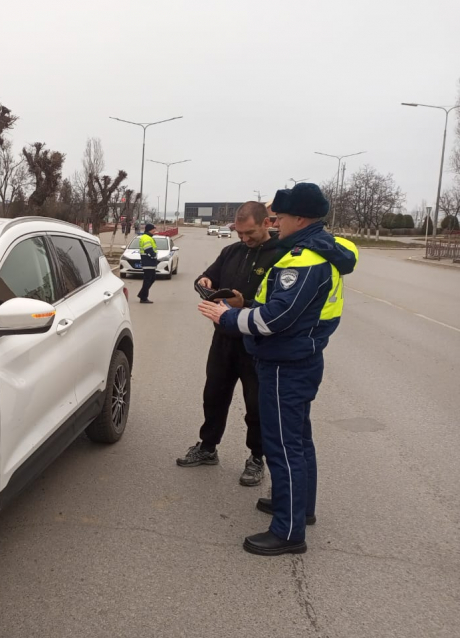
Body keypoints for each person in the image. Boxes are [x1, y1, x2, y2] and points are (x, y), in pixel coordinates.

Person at [198, 183, 358, 556]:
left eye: (280, 217)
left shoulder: (303, 259)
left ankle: (288, 531)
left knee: (283, 446)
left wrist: (229, 316)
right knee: (299, 440)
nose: (275, 223)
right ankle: (303, 508)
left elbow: (277, 318)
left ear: (299, 218)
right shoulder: (325, 249)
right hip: (302, 356)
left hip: (286, 362)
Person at [176, 202, 281, 487]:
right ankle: (208, 447)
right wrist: (205, 283)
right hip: (223, 339)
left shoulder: (281, 255)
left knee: (256, 405)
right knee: (214, 395)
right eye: (240, 233)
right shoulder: (231, 251)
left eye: (250, 233)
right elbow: (202, 279)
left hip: (257, 344)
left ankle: (257, 458)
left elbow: (279, 306)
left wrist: (242, 304)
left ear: (266, 224)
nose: (244, 239)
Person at [137, 223, 158, 304]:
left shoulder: (148, 237)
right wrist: (153, 256)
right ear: (149, 229)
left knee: (151, 279)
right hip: (148, 262)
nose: (154, 230)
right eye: (153, 229)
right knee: (148, 280)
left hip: (149, 262)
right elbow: (148, 249)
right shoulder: (146, 238)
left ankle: (142, 294)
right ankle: (143, 297)